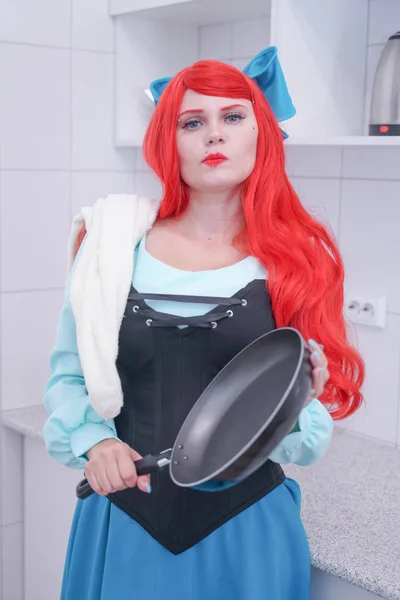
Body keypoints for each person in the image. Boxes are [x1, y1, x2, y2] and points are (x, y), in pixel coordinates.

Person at [43, 47, 364, 600]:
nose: (214, 136)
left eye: (232, 117)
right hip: (123, 525)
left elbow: (307, 442)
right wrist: (97, 445)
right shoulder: (110, 246)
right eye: (193, 122)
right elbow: (69, 378)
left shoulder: (302, 261)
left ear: (260, 134)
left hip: (247, 530)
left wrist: (297, 402)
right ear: (170, 141)